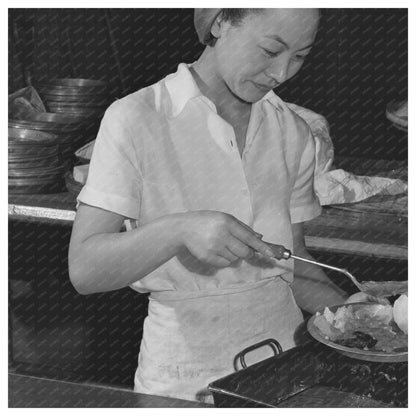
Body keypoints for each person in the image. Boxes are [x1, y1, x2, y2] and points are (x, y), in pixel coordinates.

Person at [69, 8, 364, 403]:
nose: (281, 73)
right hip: (185, 376)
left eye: (299, 56)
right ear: (221, 21)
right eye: (270, 50)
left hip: (287, 362)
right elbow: (86, 270)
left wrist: (353, 316)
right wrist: (179, 230)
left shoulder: (292, 130)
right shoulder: (138, 117)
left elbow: (291, 262)